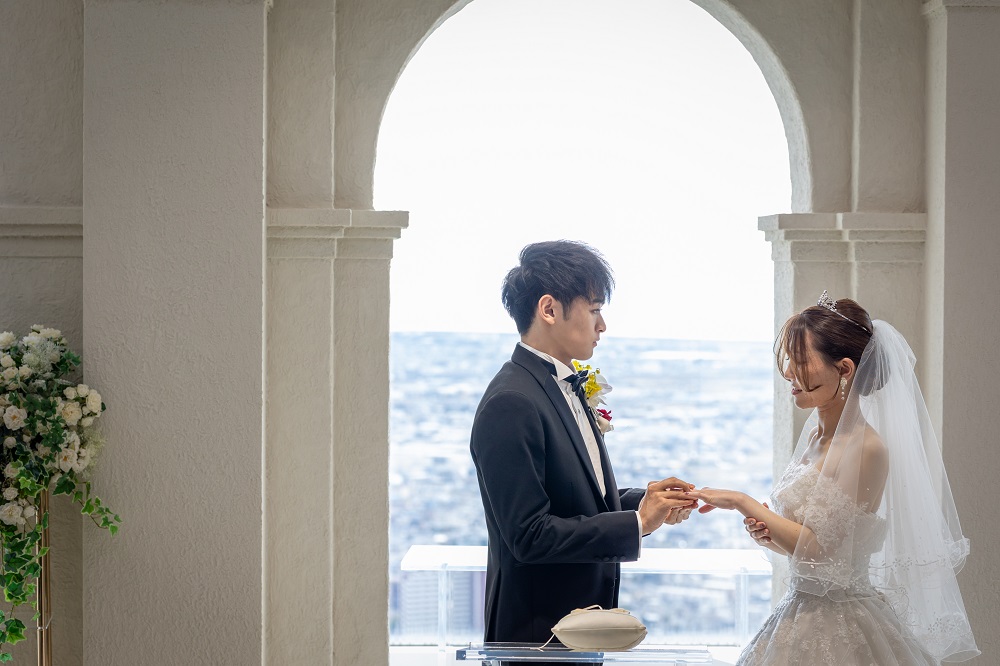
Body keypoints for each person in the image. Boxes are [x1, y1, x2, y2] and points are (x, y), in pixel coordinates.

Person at [686, 292, 979, 665]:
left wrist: (741, 501)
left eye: (801, 361)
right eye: (789, 360)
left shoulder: (867, 447)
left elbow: (820, 548)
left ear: (844, 369)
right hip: (798, 608)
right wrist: (769, 532)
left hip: (840, 621)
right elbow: (811, 550)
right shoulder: (814, 436)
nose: (788, 373)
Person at [470, 240, 697, 661]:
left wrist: (648, 502)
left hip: (579, 630)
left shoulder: (562, 384)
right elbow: (529, 535)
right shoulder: (512, 402)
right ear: (549, 309)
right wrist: (636, 523)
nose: (602, 325)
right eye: (594, 310)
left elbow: (575, 497)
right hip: (538, 638)